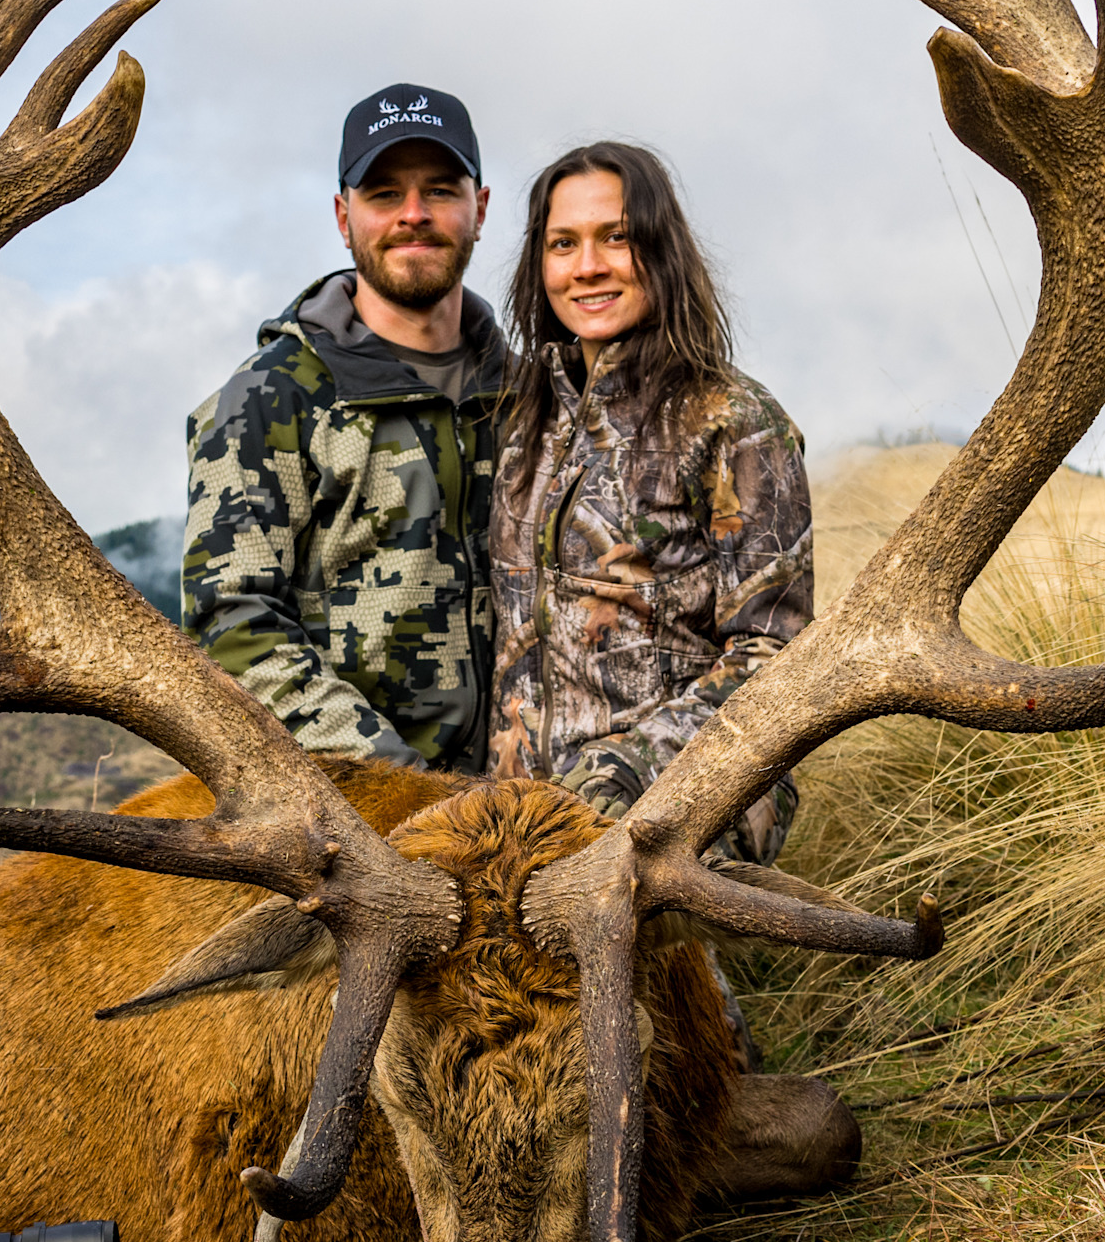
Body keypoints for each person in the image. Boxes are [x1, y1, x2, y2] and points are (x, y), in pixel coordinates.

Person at [488, 139, 811, 860]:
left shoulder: (735, 423)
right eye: (563, 244)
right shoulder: (526, 425)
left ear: (662, 251)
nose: (587, 266)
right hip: (523, 826)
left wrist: (625, 771)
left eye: (617, 237)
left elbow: (775, 657)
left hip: (680, 812)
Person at [182, 85, 502, 771]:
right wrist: (400, 787)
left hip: (528, 803)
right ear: (342, 216)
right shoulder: (268, 399)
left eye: (440, 190)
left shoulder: (529, 395)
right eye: (384, 194)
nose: (413, 214)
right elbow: (233, 623)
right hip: (354, 805)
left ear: (479, 209)